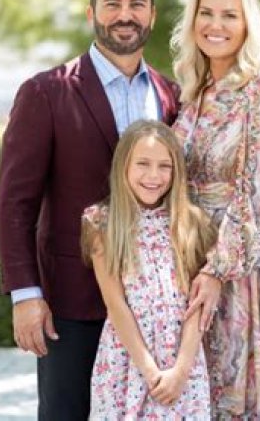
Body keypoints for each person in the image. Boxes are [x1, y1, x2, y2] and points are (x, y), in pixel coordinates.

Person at [0, 0, 181, 420]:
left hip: (156, 308)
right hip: (73, 304)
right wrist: (25, 294)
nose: (125, 15)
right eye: (112, 3)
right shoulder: (46, 92)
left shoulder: (172, 96)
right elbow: (14, 203)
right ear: (91, 12)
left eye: (136, 4)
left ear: (152, 14)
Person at [171, 0, 260, 419]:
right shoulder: (190, 93)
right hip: (182, 264)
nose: (216, 25)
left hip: (234, 269)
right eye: (206, 13)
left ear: (247, 25)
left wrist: (217, 270)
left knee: (229, 392)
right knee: (187, 395)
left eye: (229, 15)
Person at [81, 120, 216, 418]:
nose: (154, 176)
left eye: (164, 166)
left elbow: (197, 305)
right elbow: (115, 304)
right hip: (128, 360)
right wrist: (150, 372)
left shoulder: (190, 223)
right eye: (143, 164)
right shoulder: (101, 223)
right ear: (123, 166)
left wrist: (181, 370)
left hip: (182, 362)